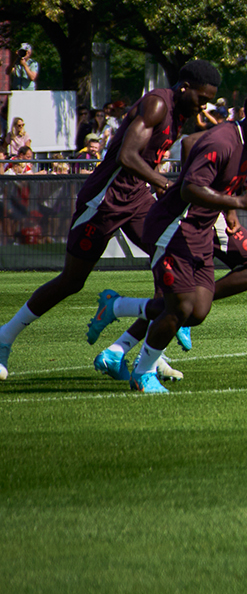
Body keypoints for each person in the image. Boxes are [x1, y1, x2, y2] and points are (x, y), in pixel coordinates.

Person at [88, 81, 247, 385]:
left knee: (197, 311)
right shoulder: (222, 140)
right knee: (182, 307)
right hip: (173, 226)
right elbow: (188, 188)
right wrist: (238, 202)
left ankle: (118, 306)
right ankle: (144, 372)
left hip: (202, 228)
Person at [0, 60, 222, 382]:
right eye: (202, 97)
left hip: (138, 199)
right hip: (104, 200)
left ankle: (147, 351)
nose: (205, 104)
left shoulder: (183, 114)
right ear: (184, 87)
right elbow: (126, 156)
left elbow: (175, 149)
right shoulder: (158, 103)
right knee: (71, 281)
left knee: (170, 262)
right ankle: (4, 337)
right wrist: (162, 183)